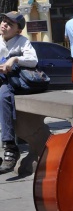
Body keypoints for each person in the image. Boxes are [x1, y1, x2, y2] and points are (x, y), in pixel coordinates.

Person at [0, 11, 38, 173]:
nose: (4, 24)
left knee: (3, 95)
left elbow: (33, 60)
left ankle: (10, 146)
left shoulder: (22, 42)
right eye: (3, 21)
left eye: (9, 24)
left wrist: (14, 59)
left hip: (10, 82)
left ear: (18, 30)